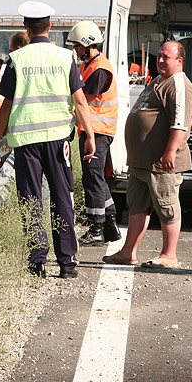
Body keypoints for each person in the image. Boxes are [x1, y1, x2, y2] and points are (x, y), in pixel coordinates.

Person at [0, 1, 96, 280]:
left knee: (31, 198)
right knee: (61, 197)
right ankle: (67, 262)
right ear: (51, 27)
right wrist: (89, 135)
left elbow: (6, 106)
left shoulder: (17, 60)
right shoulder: (65, 58)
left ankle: (37, 260)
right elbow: (79, 100)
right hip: (59, 141)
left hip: (26, 142)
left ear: (26, 28)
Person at [102, 41, 192, 269]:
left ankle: (169, 255)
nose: (161, 60)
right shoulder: (159, 80)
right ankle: (127, 252)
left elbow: (180, 124)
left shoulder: (178, 85)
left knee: (167, 205)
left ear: (179, 61)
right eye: (160, 56)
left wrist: (170, 151)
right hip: (142, 162)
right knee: (137, 206)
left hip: (161, 162)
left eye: (167, 57)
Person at [65, 20, 121, 245]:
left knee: (92, 178)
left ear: (87, 44)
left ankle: (96, 227)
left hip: (97, 132)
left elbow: (82, 101)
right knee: (95, 177)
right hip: (93, 130)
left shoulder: (98, 69)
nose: (75, 50)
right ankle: (110, 225)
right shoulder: (89, 65)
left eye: (77, 46)